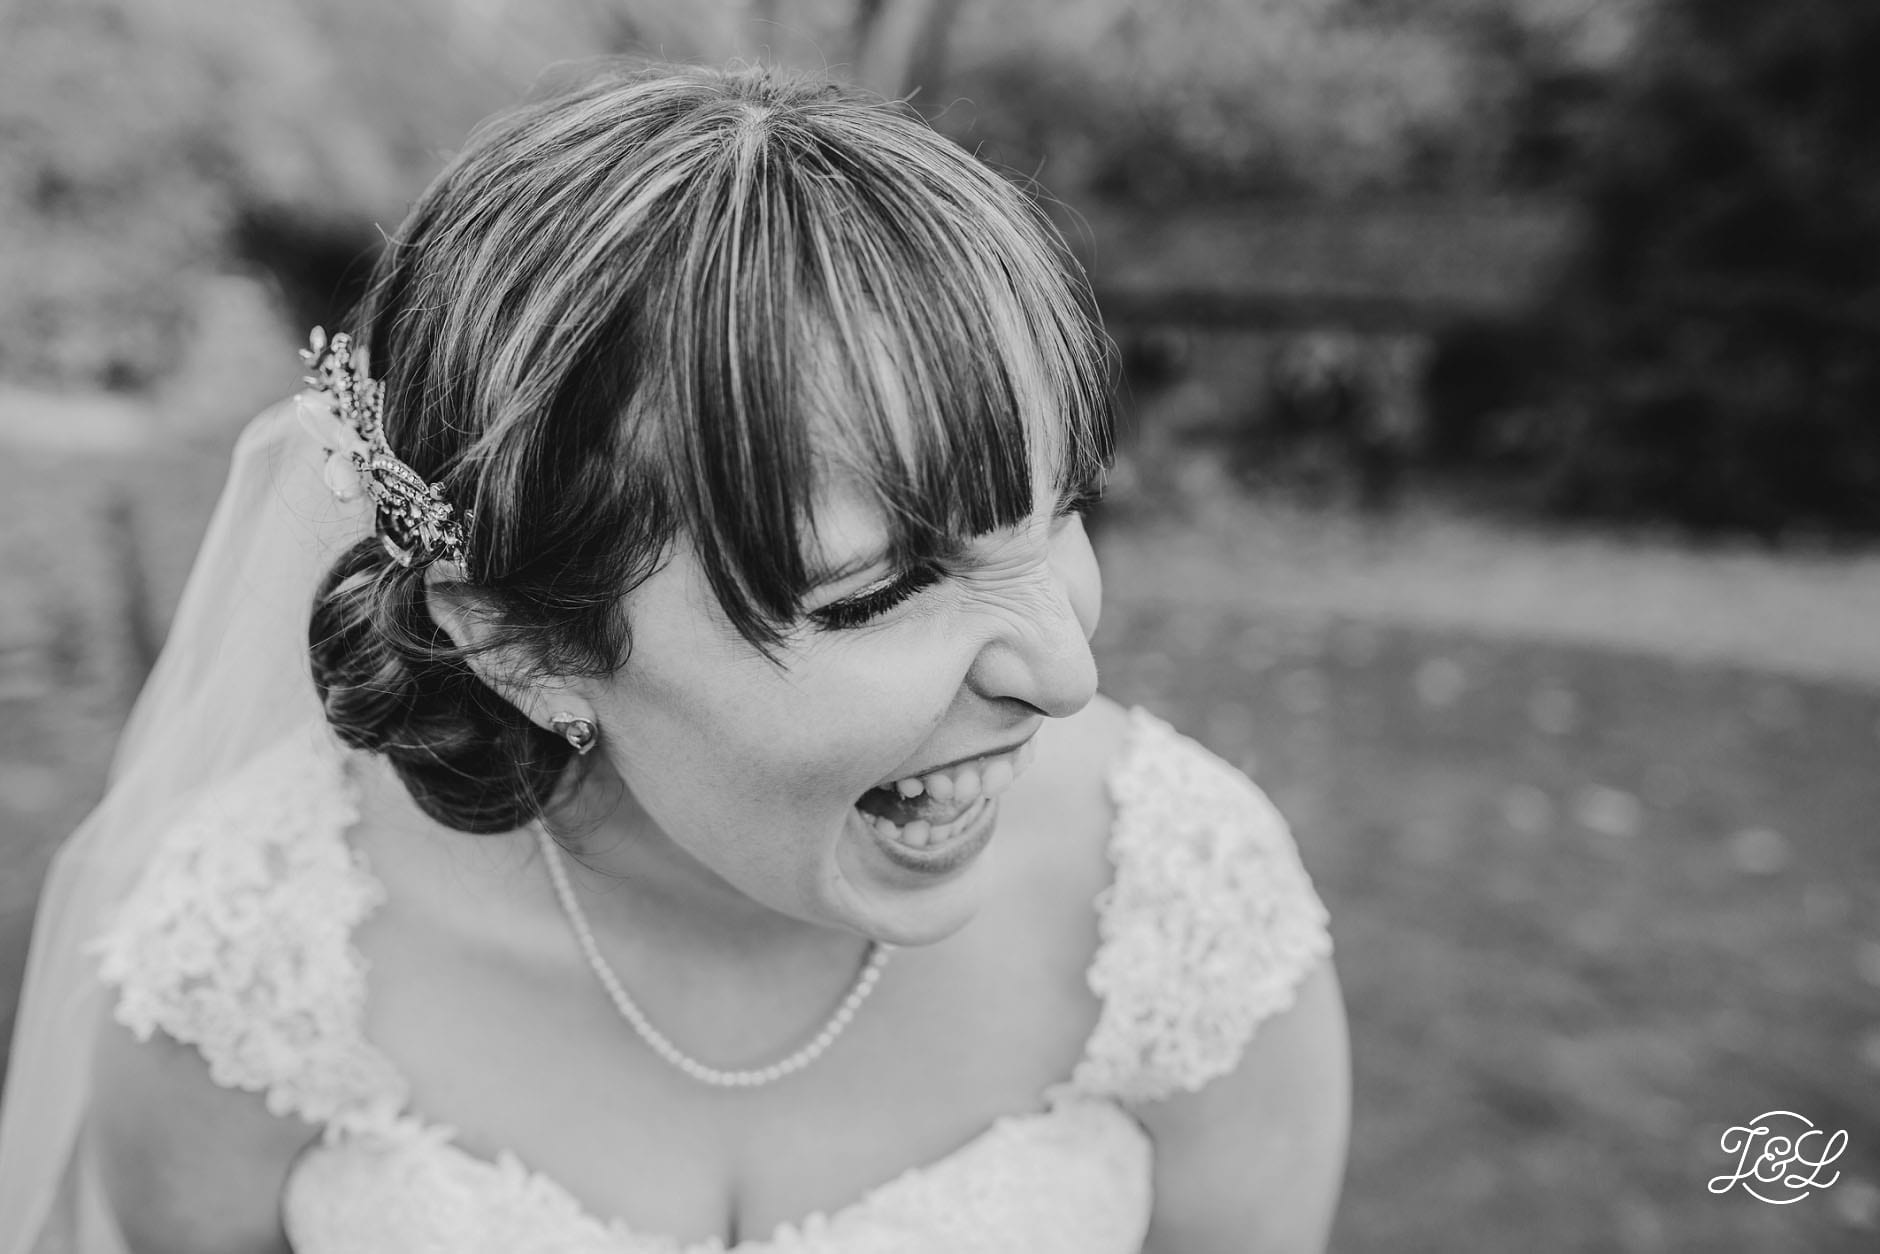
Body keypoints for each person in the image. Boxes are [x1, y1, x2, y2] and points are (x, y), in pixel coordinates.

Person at [0, 62, 1348, 1253]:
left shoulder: (1177, 911)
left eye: (1058, 513)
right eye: (879, 590)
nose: (1064, 675)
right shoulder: (254, 968)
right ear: (526, 642)